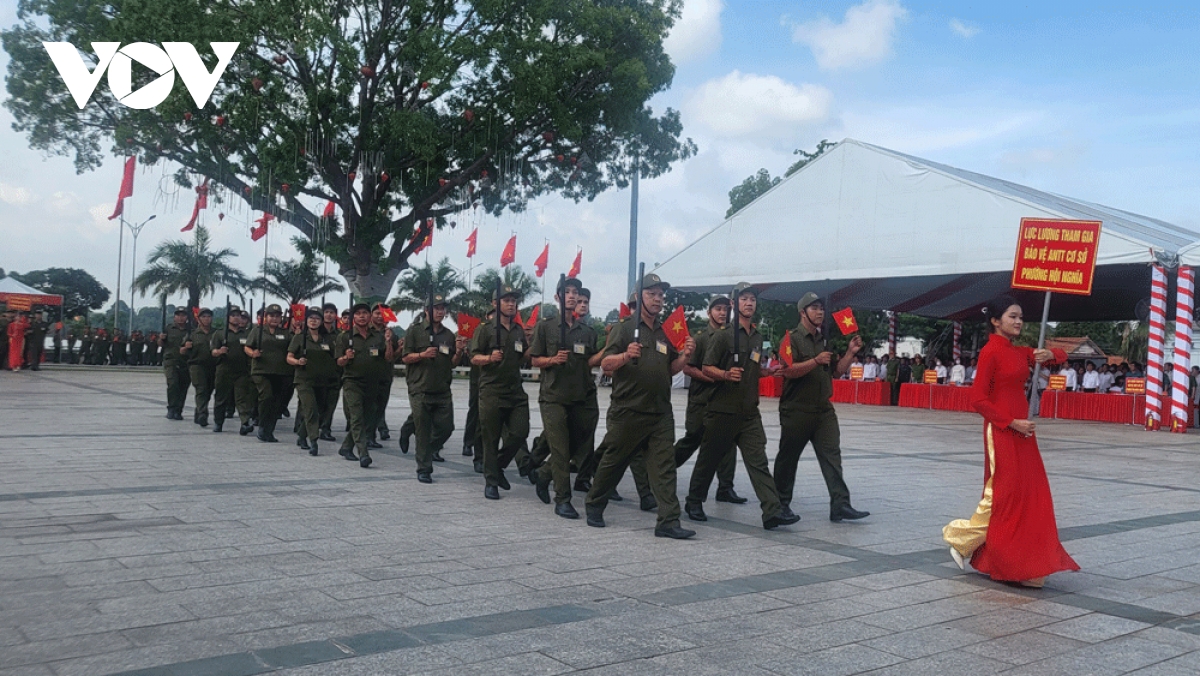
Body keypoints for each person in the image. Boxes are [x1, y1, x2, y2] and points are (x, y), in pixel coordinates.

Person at [944, 295, 1079, 587]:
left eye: (1020, 317)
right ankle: (963, 540)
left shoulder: (1018, 352)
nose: (1018, 321)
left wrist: (1049, 355)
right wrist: (1011, 422)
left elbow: (1062, 354)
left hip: (1024, 432)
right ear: (995, 321)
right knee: (1003, 494)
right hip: (1003, 429)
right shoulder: (990, 352)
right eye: (1012, 316)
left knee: (1029, 494)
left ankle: (1022, 562)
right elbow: (977, 399)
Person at [584, 272, 696, 539]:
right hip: (629, 410)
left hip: (659, 411)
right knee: (614, 461)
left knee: (664, 465)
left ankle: (668, 520)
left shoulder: (664, 331)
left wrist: (684, 357)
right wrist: (625, 355)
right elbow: (605, 365)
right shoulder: (624, 329)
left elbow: (670, 369)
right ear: (638, 297)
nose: (658, 299)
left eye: (660, 295)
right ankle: (594, 504)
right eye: (651, 294)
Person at [686, 283, 800, 530]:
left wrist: (768, 371)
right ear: (734, 304)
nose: (750, 303)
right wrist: (725, 375)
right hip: (722, 410)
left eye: (753, 300)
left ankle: (772, 510)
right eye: (744, 299)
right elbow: (706, 367)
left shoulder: (757, 337)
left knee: (758, 461)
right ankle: (694, 501)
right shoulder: (723, 335)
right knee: (709, 459)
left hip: (749, 412)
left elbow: (753, 367)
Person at [775, 293, 870, 523]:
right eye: (814, 308)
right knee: (788, 458)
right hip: (797, 408)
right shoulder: (791, 339)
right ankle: (779, 504)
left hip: (823, 410)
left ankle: (840, 504)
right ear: (802, 312)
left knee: (832, 456)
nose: (820, 312)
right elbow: (787, 370)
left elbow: (836, 371)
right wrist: (815, 361)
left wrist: (849, 353)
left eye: (821, 308)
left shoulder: (825, 339)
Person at [530, 277, 604, 517]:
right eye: (567, 292)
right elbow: (534, 359)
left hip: (580, 396)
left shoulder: (587, 331)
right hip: (553, 396)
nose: (572, 296)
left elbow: (591, 361)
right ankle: (562, 499)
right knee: (560, 448)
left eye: (575, 292)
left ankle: (543, 474)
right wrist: (552, 360)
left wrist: (609, 350)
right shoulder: (546, 326)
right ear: (558, 297)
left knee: (576, 444)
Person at [673, 296, 745, 505]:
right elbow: (688, 367)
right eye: (718, 309)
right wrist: (713, 377)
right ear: (709, 312)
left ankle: (725, 487)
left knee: (727, 442)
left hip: (723, 400)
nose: (722, 313)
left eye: (725, 309)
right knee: (693, 439)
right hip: (702, 398)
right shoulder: (701, 337)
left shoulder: (733, 337)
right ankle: (664, 470)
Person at [470, 285, 531, 500]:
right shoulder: (485, 329)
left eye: (514, 300)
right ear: (495, 303)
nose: (511, 303)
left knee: (520, 432)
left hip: (515, 391)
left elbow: (523, 355)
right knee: (491, 438)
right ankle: (491, 482)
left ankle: (497, 467)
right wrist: (488, 358)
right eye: (506, 300)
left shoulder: (517, 330)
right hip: (492, 391)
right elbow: (474, 357)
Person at [402, 294, 467, 482]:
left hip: (442, 389)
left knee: (447, 427)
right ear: (426, 310)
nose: (440, 312)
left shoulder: (448, 334)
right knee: (423, 430)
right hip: (419, 387)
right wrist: (422, 354)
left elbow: (452, 363)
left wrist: (460, 350)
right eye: (436, 308)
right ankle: (424, 468)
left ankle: (419, 444)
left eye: (442, 308)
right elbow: (405, 358)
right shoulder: (414, 331)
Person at [336, 303, 395, 467]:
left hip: (372, 383)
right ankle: (363, 453)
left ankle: (347, 447)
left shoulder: (377, 336)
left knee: (367, 418)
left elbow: (388, 358)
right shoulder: (345, 337)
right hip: (352, 382)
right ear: (353, 317)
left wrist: (389, 342)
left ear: (369, 316)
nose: (362, 316)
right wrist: (346, 357)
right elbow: (339, 362)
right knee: (356, 417)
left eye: (365, 313)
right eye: (358, 313)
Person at [288, 307, 340, 455]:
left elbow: (335, 356)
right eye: (311, 318)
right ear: (306, 320)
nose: (313, 320)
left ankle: (302, 435)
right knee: (310, 409)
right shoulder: (300, 337)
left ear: (321, 321)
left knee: (317, 411)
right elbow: (289, 357)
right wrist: (298, 361)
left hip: (322, 381)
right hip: (304, 380)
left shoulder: (327, 339)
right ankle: (314, 441)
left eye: (317, 318)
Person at [245, 304, 293, 443]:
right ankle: (261, 423)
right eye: (272, 315)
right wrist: (253, 353)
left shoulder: (285, 333)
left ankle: (268, 430)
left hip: (281, 372)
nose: (275, 318)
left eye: (278, 316)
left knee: (277, 402)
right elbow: (247, 347)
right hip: (262, 371)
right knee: (266, 396)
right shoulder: (258, 331)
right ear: (266, 317)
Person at [211, 308, 255, 434]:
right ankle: (218, 422)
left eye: (238, 316)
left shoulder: (246, 334)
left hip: (241, 371)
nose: (236, 318)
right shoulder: (220, 333)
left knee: (242, 398)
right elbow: (213, 351)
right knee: (221, 397)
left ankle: (245, 422)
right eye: (233, 315)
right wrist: (219, 351)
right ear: (228, 318)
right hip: (224, 369)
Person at [183, 309, 219, 427]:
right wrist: (186, 347)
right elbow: (181, 350)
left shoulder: (216, 333)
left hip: (212, 365)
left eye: (209, 316)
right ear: (198, 319)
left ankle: (198, 411)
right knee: (201, 389)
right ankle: (203, 413)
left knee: (208, 390)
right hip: (196, 365)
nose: (206, 319)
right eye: (204, 317)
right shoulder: (192, 334)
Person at [160, 309, 192, 419]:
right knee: (173, 383)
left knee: (183, 386)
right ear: (174, 317)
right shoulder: (169, 328)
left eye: (183, 315)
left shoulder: (191, 330)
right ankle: (171, 408)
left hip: (186, 362)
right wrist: (161, 338)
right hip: (171, 361)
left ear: (187, 317)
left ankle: (179, 410)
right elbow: (161, 344)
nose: (181, 318)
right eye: (178, 315)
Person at [319, 303, 342, 441]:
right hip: (317, 375)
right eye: (326, 312)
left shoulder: (338, 335)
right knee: (318, 404)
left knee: (331, 404)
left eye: (331, 312)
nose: (328, 315)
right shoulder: (315, 333)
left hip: (334, 375)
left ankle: (326, 428)